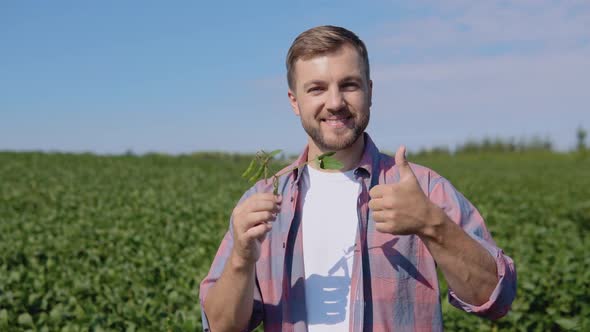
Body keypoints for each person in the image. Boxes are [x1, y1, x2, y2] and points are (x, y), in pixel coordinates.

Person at [199, 25, 516, 332]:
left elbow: (495, 299)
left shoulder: (423, 188)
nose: (335, 102)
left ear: (370, 91)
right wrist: (241, 259)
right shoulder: (265, 200)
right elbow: (222, 327)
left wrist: (432, 224)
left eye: (349, 85)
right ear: (294, 101)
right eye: (317, 88)